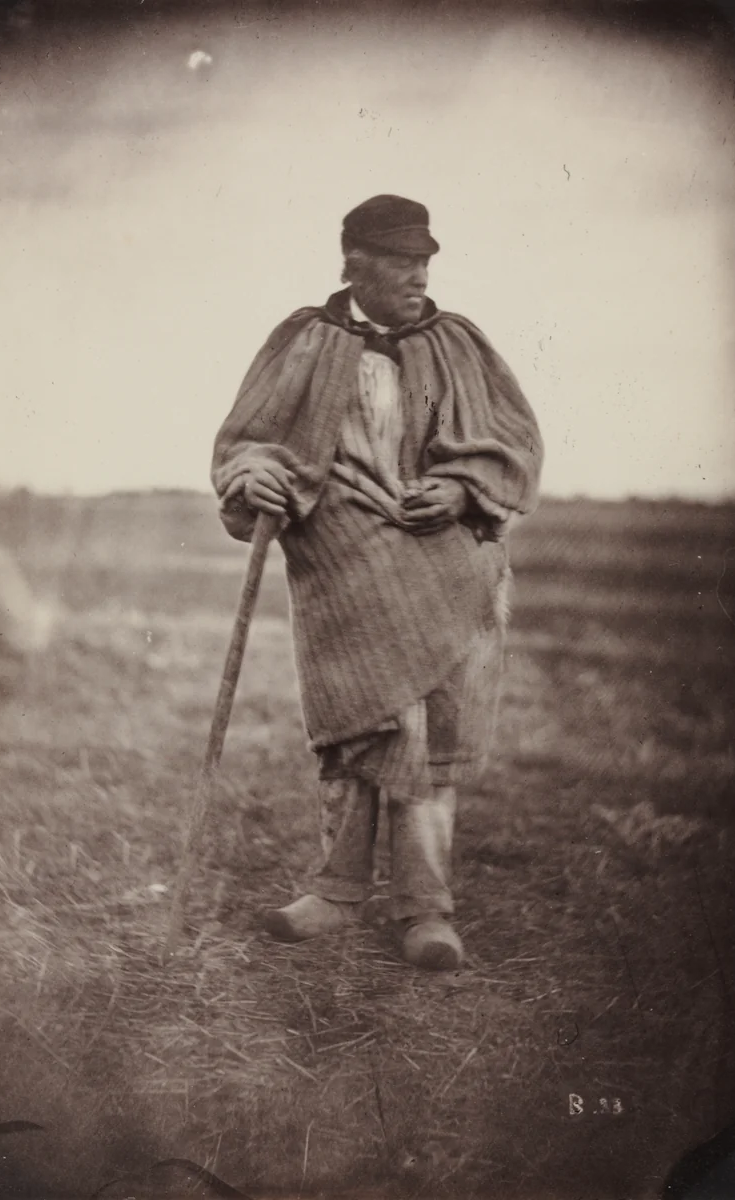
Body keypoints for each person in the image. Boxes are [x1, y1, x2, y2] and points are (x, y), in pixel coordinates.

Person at [212, 194, 544, 970]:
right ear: (351, 263)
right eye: (399, 261)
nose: (417, 274)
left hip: (444, 566)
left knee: (428, 733)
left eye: (424, 261)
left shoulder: (459, 343)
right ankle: (335, 892)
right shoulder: (302, 339)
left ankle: (426, 910)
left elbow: (513, 441)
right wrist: (254, 477)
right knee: (355, 726)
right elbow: (250, 437)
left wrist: (462, 488)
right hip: (341, 561)